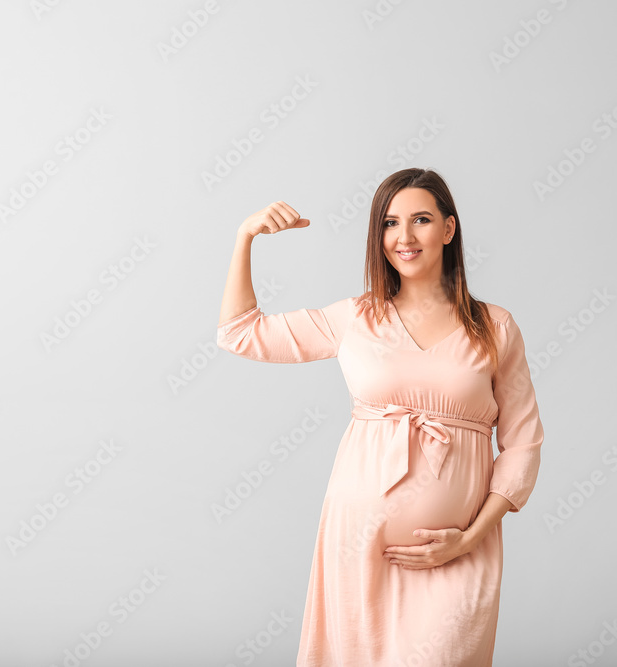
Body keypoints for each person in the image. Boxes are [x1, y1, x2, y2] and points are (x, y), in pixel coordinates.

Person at [216, 167, 544, 666]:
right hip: (358, 542)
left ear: (449, 229)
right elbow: (241, 333)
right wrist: (245, 238)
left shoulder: (494, 327)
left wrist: (469, 538)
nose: (404, 237)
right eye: (390, 223)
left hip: (459, 545)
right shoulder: (356, 317)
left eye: (420, 220)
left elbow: (522, 445)